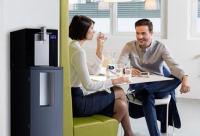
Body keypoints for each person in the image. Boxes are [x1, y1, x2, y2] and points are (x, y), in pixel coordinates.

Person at [117, 19, 191, 136]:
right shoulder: (129, 46)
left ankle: (142, 92)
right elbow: (120, 65)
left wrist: (185, 77)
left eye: (143, 33)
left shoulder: (161, 47)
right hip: (139, 83)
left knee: (177, 78)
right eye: (137, 33)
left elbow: (173, 66)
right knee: (147, 96)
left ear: (151, 33)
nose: (140, 36)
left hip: (158, 85)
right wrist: (127, 69)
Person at [69, 15, 135, 136]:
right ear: (83, 30)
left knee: (121, 106)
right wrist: (115, 80)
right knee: (119, 90)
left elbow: (94, 70)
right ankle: (129, 133)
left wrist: (100, 45)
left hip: (73, 99)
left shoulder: (72, 47)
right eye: (92, 28)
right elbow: (88, 85)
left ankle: (119, 133)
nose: (94, 31)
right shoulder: (78, 52)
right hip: (77, 102)